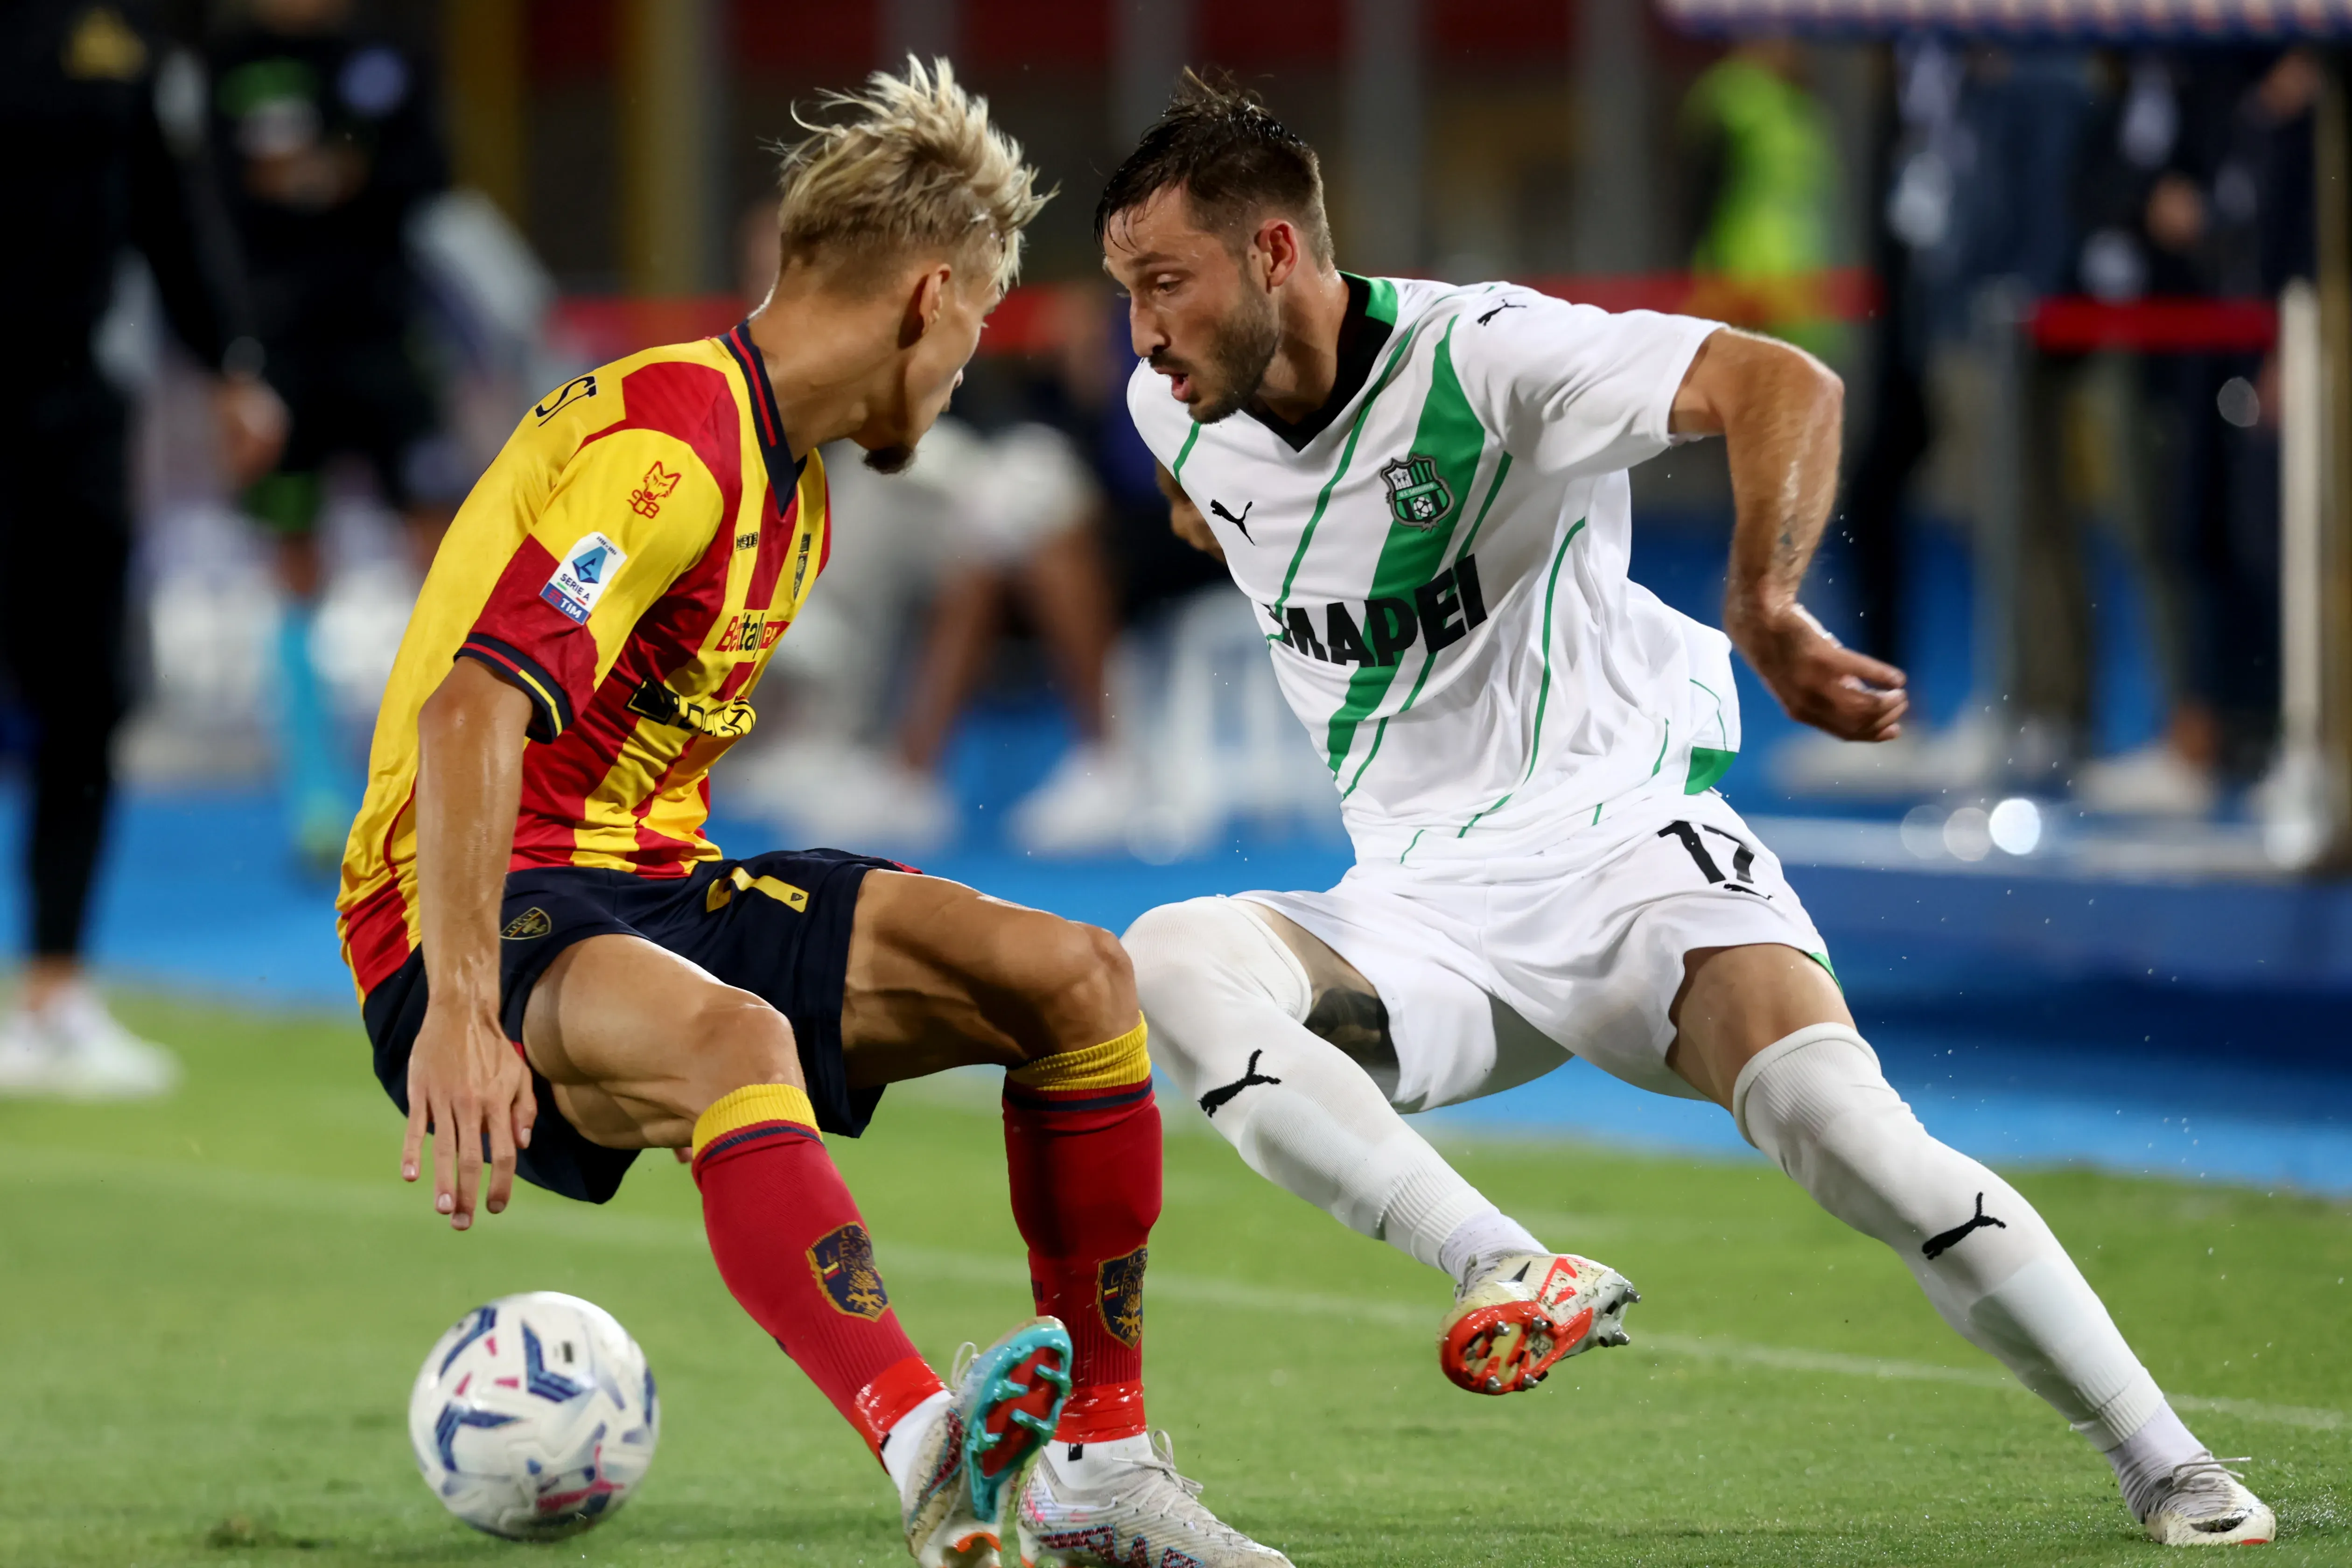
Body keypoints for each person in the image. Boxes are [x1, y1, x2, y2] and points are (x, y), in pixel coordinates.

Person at [1103, 75, 2272, 1548]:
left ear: (1275, 253)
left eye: (1165, 284)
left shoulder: (1488, 354)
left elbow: (1786, 382)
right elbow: (1218, 500)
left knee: (1850, 1139)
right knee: (1168, 957)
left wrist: (1766, 604)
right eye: (1125, 293)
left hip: (1627, 856)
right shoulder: (1176, 407)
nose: (1141, 332)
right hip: (1419, 915)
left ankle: (2168, 1461)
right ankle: (1504, 1263)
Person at [334, 62, 1282, 1568]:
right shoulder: (672, 447)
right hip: (465, 905)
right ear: (926, 298)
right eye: (977, 320)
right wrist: (458, 1002)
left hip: (650, 888)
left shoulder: (800, 489)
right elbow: (470, 711)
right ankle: (929, 1447)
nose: (974, 359)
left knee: (1076, 982)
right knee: (735, 1042)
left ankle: (1098, 1467)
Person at [0, 0, 286, 1097]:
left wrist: (231, 364)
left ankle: (55, 993)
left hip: (72, 408)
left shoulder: (129, 39)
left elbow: (172, 212)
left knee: (84, 698)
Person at [207, 0, 458, 868]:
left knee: (443, 554)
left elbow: (432, 172)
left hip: (385, 342)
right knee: (294, 562)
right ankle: (314, 793)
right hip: (281, 348)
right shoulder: (226, 64)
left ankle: (445, 778)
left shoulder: (389, 50)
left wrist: (340, 174)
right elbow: (206, 202)